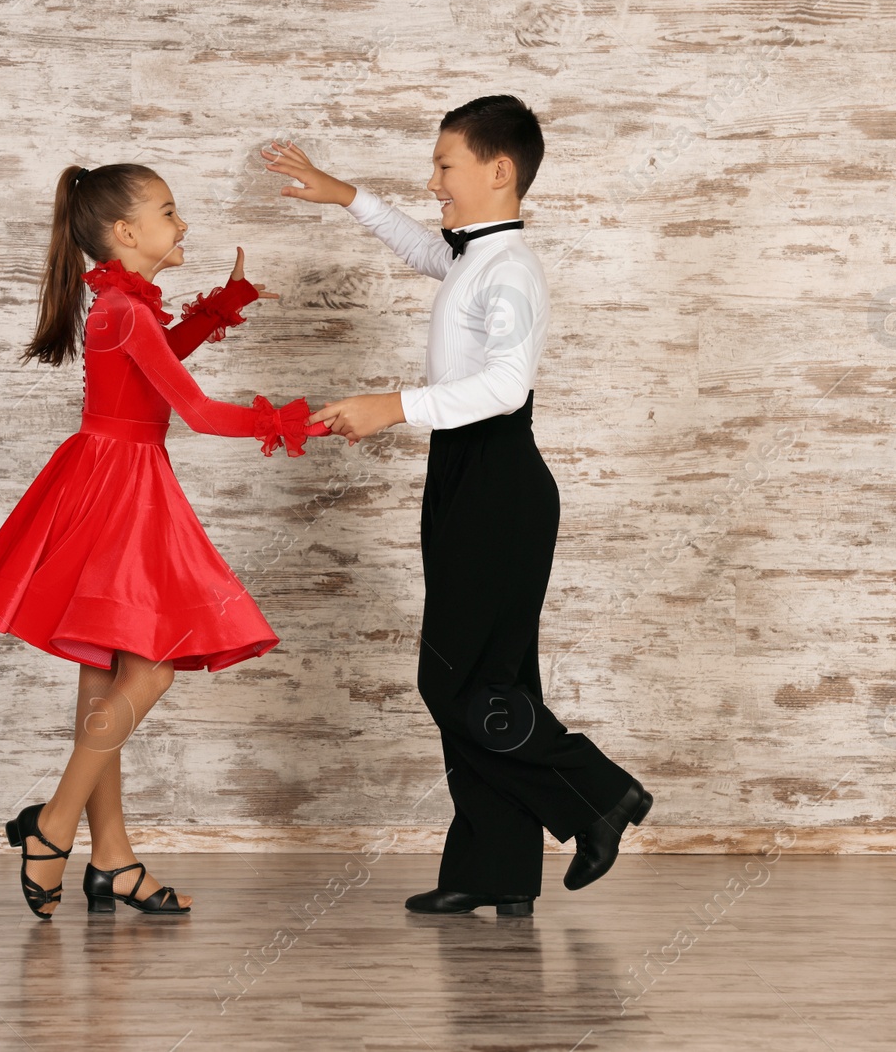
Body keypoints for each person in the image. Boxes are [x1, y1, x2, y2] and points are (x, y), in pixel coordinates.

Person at [262, 96, 652, 916]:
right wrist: (345, 196)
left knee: (458, 684)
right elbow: (421, 247)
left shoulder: (509, 268)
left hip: (500, 483)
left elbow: (507, 387)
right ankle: (495, 867)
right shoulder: (476, 256)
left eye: (445, 165)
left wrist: (392, 404)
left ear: (497, 171)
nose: (432, 181)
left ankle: (601, 792)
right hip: (466, 475)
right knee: (495, 679)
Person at [0, 162, 328, 919]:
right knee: (148, 670)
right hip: (121, 490)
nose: (181, 223)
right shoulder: (122, 311)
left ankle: (113, 858)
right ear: (128, 234)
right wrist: (290, 421)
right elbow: (191, 410)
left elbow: (153, 367)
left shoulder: (125, 309)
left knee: (106, 676)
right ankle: (53, 826)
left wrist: (220, 307)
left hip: (115, 481)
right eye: (168, 210)